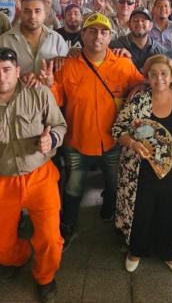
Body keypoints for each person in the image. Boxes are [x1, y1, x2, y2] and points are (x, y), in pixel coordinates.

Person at [0, 47, 67, 303]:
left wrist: (51, 139)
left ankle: (45, 277)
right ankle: (19, 257)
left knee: (51, 240)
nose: (2, 78)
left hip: (40, 175)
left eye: (8, 70)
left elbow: (60, 125)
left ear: (18, 71)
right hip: (1, 178)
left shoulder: (39, 93)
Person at [41, 13, 146, 238]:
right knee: (73, 188)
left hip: (113, 142)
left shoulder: (123, 64)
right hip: (77, 142)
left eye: (104, 32)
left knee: (115, 184)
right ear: (82, 35)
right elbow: (56, 100)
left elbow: (142, 88)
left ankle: (111, 214)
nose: (98, 36)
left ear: (110, 37)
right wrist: (50, 84)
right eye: (92, 31)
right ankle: (68, 225)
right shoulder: (67, 66)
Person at [113, 55, 172, 275]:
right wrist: (133, 143)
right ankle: (135, 250)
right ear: (147, 77)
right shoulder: (138, 101)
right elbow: (118, 129)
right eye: (153, 74)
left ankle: (168, 253)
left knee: (170, 213)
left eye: (164, 73)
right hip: (140, 171)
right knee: (141, 213)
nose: (159, 78)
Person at [0, 0, 69, 78]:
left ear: (45, 14)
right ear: (20, 13)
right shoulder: (4, 41)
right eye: (27, 11)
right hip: (17, 91)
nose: (32, 16)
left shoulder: (57, 40)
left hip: (50, 90)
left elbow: (67, 73)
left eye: (37, 11)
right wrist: (19, 81)